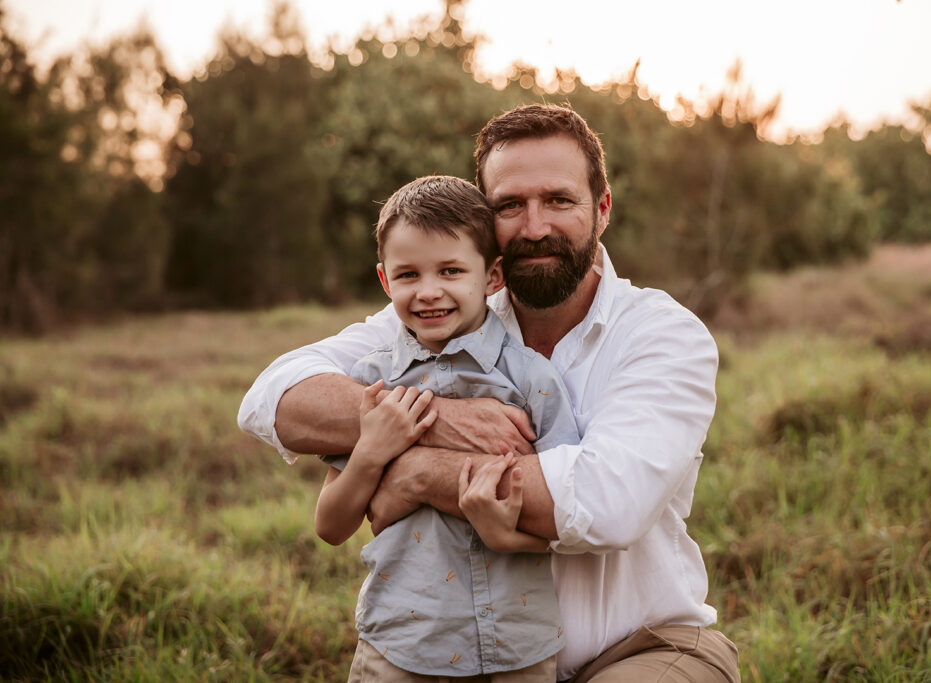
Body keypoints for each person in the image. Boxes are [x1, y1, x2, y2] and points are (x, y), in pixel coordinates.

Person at [238, 104, 740, 682]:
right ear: (485, 221)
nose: (534, 227)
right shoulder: (439, 312)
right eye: (509, 206)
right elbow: (273, 397)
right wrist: (440, 420)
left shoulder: (661, 332)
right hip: (467, 659)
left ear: (601, 209)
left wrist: (417, 471)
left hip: (640, 647)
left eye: (558, 200)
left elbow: (605, 502)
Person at [289, 175, 579, 680]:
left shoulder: (532, 379)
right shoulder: (373, 383)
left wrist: (507, 535)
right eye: (407, 275)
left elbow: (568, 516)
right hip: (401, 645)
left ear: (492, 277)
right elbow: (331, 526)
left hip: (517, 646)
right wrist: (371, 450)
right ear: (384, 282)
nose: (428, 292)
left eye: (450, 271)